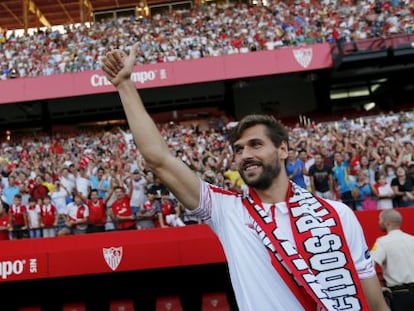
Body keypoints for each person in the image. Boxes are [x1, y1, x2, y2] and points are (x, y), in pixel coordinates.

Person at [101, 44, 390, 311]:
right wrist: (125, 86)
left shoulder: (336, 214)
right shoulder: (227, 211)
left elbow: (374, 301)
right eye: (238, 150)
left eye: (255, 145)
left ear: (283, 149)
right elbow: (158, 158)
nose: (245, 155)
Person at [371, 209, 414, 311]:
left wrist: (378, 288)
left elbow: (369, 266)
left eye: (380, 219)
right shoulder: (412, 239)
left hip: (400, 296)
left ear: (387, 223)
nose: (379, 222)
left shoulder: (382, 242)